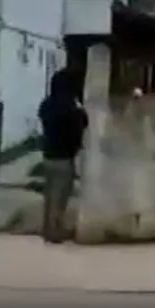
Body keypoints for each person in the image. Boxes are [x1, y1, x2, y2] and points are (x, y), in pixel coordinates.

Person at [37, 69, 89, 243]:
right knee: (60, 197)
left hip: (48, 155)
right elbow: (82, 124)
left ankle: (47, 229)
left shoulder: (46, 104)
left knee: (50, 195)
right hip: (64, 158)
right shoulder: (70, 108)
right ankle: (55, 232)